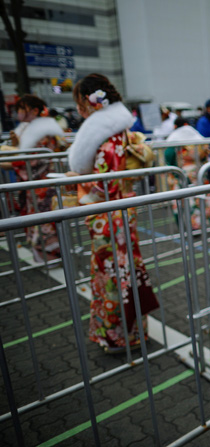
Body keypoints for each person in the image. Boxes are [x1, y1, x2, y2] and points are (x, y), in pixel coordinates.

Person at [67, 73, 158, 354]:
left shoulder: (108, 137)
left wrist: (77, 184)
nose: (79, 109)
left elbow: (104, 186)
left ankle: (122, 336)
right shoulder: (116, 133)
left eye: (80, 101)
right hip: (117, 215)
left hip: (110, 217)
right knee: (122, 272)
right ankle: (131, 331)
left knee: (113, 276)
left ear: (91, 101)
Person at [0, 94, 68, 262]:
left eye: (21, 109)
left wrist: (11, 160)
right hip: (38, 184)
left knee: (45, 223)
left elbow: (31, 159)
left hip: (42, 184)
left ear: (34, 110)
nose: (18, 114)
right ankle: (48, 257)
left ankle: (52, 258)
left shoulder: (42, 132)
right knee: (41, 222)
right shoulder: (35, 129)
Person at [165, 117, 210, 230]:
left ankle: (186, 226)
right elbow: (206, 153)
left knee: (184, 200)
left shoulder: (174, 138)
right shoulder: (196, 136)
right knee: (199, 198)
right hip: (198, 172)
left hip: (181, 173)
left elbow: (168, 156)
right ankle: (201, 224)